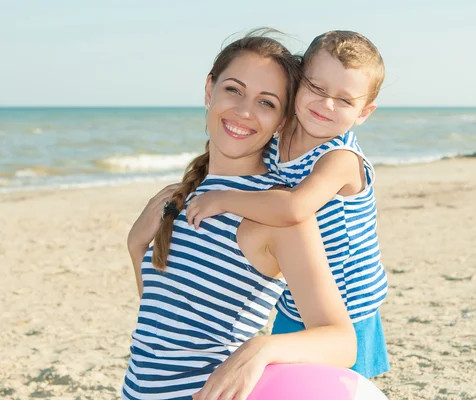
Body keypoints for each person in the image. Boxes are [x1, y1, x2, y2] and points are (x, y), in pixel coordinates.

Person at [122, 30, 356, 400]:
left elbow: (341, 342)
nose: (245, 111)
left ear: (282, 121)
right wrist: (137, 247)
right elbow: (163, 323)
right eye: (234, 89)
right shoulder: (185, 195)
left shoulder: (275, 211)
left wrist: (264, 348)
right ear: (208, 89)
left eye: (267, 103)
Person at [185, 30, 390, 378]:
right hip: (293, 297)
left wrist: (225, 199)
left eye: (344, 100)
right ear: (298, 85)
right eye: (317, 88)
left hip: (349, 305)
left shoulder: (340, 158)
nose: (326, 105)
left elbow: (294, 208)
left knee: (338, 385)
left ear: (363, 112)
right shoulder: (282, 133)